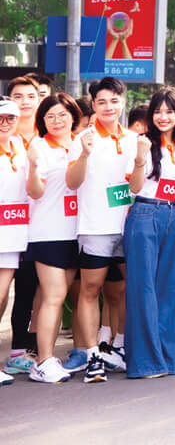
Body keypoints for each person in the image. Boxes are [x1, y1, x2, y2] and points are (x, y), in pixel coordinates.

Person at [123, 87, 175, 379]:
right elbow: (134, 187)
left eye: (169, 111)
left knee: (173, 286)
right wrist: (140, 158)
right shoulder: (142, 143)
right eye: (157, 111)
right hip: (145, 214)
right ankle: (144, 362)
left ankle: (166, 358)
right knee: (143, 288)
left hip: (174, 217)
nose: (163, 117)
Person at [69, 76, 137, 382]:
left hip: (127, 227)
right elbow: (72, 182)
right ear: (93, 105)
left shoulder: (134, 139)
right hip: (95, 227)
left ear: (123, 102)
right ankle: (93, 355)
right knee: (90, 290)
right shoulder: (83, 139)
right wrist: (84, 153)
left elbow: (137, 184)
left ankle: (117, 348)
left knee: (120, 291)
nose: (108, 107)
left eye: (114, 101)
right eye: (102, 102)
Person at [25, 92, 84, 383]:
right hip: (48, 231)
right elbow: (35, 191)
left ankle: (50, 358)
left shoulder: (80, 143)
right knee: (54, 295)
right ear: (42, 120)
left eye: (62, 115)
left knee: (62, 297)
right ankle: (43, 361)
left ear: (73, 117)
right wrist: (34, 167)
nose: (57, 121)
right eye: (50, 116)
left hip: (76, 232)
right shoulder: (39, 145)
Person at [5, 74, 45, 378]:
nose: (26, 102)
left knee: (30, 289)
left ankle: (22, 348)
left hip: (40, 226)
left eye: (31, 96)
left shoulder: (49, 134)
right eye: (18, 97)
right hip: (8, 227)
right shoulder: (7, 134)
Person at [0, 100, 26, 386]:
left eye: (10, 118)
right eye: (0, 119)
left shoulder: (19, 146)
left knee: (2, 296)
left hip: (13, 235)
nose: (5, 124)